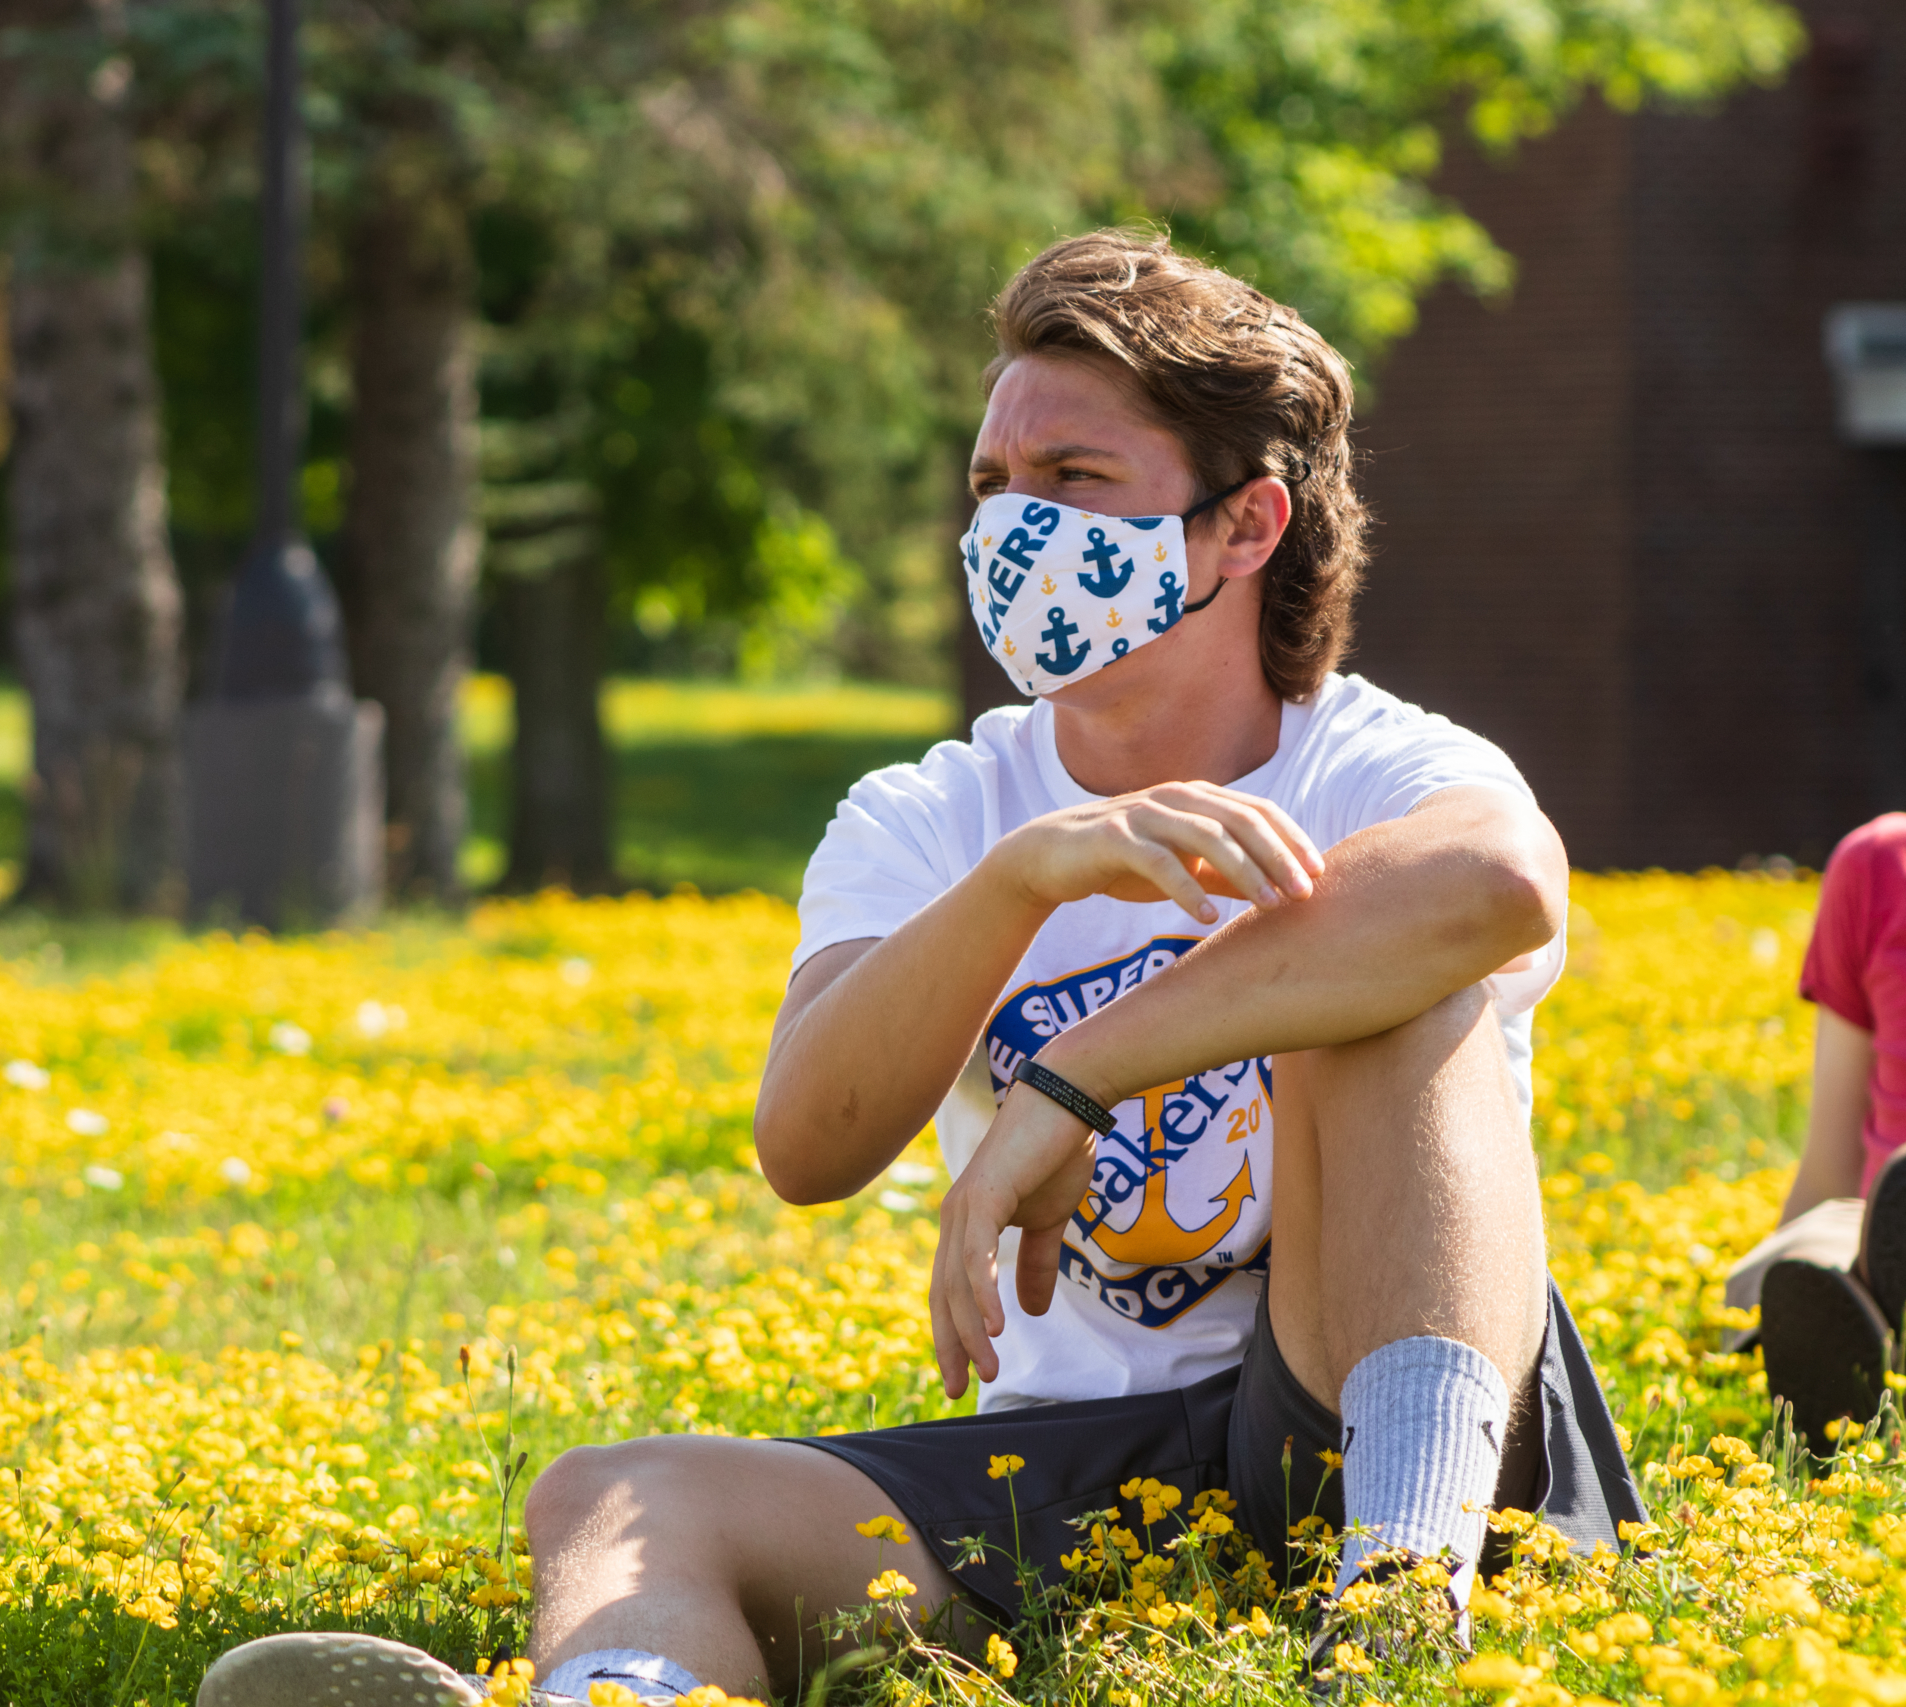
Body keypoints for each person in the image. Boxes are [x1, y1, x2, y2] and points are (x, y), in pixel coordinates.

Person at [196, 230, 1644, 1707]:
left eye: (1075, 480)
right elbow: (810, 1140)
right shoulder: (931, 815)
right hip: (1082, 1465)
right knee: (614, 1496)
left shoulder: (1378, 761)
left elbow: (1502, 883)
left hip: (1387, 1425)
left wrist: (1076, 1078)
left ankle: (1396, 1627)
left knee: (1390, 994)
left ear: (1245, 526)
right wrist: (1024, 876)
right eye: (993, 486)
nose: (1016, 526)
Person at [1725, 814, 1906, 1447]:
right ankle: (1845, 1347)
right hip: (1875, 1225)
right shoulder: (1879, 864)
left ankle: (1865, 1368)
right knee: (1799, 1262)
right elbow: (1830, 1163)